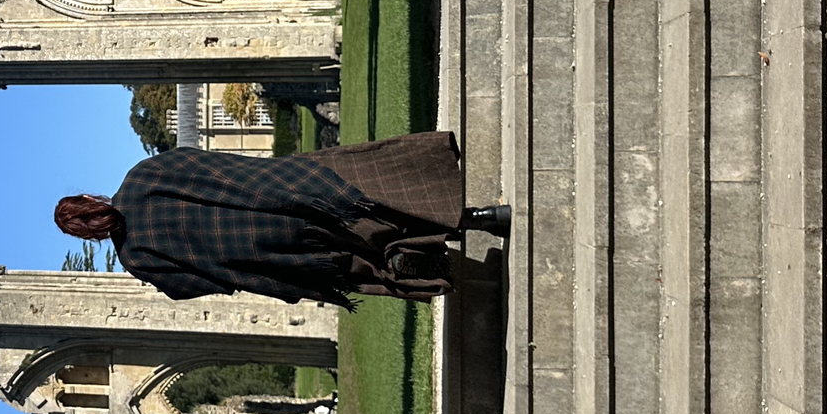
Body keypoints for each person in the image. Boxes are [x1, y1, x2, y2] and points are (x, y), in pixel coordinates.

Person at [52, 130, 506, 306]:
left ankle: (425, 263)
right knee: (374, 195)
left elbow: (195, 287)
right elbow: (209, 163)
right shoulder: (144, 174)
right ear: (90, 198)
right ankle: (480, 217)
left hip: (273, 254)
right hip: (274, 194)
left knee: (361, 262)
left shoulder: (136, 259)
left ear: (88, 236)